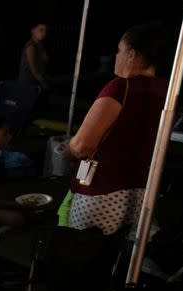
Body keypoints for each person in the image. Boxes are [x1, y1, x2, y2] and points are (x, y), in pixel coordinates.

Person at [59, 22, 167, 236]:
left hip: (102, 194)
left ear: (131, 54)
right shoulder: (166, 91)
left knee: (84, 256)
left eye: (119, 50)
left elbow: (82, 145)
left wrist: (69, 148)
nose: (116, 56)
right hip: (142, 196)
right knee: (119, 261)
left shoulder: (119, 87)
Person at [18, 22, 49, 89]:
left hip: (36, 80)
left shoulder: (40, 45)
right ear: (32, 31)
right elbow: (34, 70)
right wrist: (43, 83)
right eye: (41, 30)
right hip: (28, 82)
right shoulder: (31, 46)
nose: (44, 33)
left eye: (45, 30)